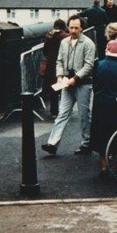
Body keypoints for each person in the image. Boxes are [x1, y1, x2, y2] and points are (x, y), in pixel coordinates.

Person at [42, 15, 96, 156]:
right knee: (62, 113)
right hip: (67, 82)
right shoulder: (64, 42)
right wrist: (60, 76)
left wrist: (76, 78)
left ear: (81, 28)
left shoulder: (88, 43)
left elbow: (89, 65)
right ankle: (52, 144)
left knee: (84, 115)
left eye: (76, 28)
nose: (73, 30)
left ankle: (86, 144)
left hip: (83, 83)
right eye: (71, 27)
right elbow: (59, 61)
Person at [89, 38, 117, 177]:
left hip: (100, 104)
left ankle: (103, 166)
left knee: (101, 135)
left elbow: (95, 84)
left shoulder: (99, 65)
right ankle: (115, 167)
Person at [42, 19, 69, 117]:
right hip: (62, 65)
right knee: (64, 87)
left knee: (53, 88)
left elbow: (45, 51)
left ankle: (54, 112)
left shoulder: (48, 36)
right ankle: (64, 110)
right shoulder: (66, 36)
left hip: (51, 65)